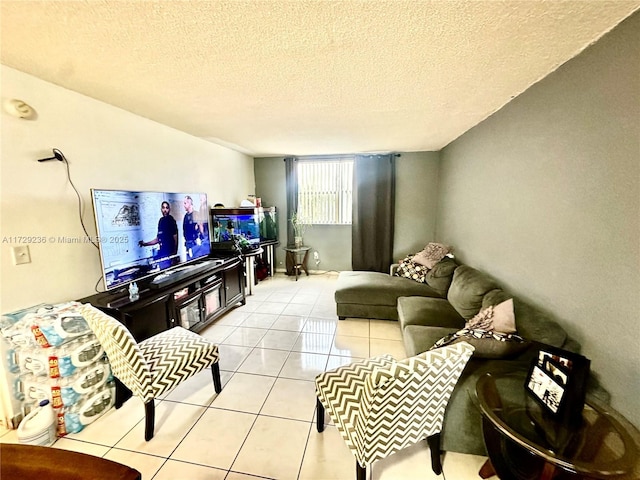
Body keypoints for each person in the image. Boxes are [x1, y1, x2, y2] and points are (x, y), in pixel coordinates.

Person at [138, 201, 178, 269]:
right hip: (162, 253)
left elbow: (175, 238)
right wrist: (145, 244)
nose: (165, 210)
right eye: (163, 208)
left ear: (169, 209)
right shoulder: (161, 221)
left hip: (169, 254)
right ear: (161, 209)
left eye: (166, 208)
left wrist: (174, 256)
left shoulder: (171, 220)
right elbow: (158, 239)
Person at [183, 195, 204, 260]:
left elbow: (201, 228)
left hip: (195, 243)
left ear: (189, 203)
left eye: (185, 203)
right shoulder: (185, 216)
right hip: (188, 244)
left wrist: (202, 240)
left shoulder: (196, 214)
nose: (184, 205)